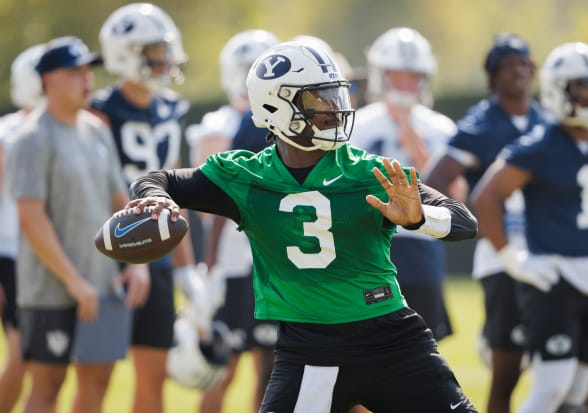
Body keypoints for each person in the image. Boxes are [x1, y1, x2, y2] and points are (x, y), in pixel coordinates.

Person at [126, 40, 479, 412]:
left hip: (391, 339)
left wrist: (420, 217)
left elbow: (463, 220)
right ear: (275, 105)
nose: (334, 109)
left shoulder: (366, 170)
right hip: (310, 347)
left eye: (335, 96)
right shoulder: (244, 176)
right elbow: (159, 179)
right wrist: (157, 198)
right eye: (319, 99)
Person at [472, 41, 588, 413]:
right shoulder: (539, 145)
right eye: (583, 87)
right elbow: (487, 197)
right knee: (552, 386)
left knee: (579, 389)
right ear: (559, 90)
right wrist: (512, 258)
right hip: (552, 277)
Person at [6, 36, 149, 413]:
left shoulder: (97, 130)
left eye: (89, 71)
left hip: (103, 284)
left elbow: (121, 202)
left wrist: (139, 264)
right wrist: (73, 280)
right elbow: (30, 216)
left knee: (98, 383)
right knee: (47, 388)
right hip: (49, 290)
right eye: (75, 72)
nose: (87, 80)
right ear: (49, 79)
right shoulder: (31, 138)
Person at [91, 4, 206, 412]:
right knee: (96, 378)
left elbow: (176, 192)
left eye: (165, 49)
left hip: (156, 258)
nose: (165, 59)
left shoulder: (170, 109)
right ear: (126, 52)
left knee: (153, 380)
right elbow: (98, 188)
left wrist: (186, 268)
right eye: (155, 50)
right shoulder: (99, 111)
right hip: (106, 253)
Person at [425, 33, 548, 413]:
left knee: (561, 366)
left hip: (550, 248)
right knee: (507, 371)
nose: (521, 71)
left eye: (526, 63)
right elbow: (435, 179)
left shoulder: (546, 119)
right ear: (494, 74)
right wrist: (466, 214)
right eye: (511, 64)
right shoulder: (482, 122)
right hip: (502, 251)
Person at [185, 29, 280, 413]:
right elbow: (212, 188)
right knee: (222, 365)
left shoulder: (279, 121)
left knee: (271, 366)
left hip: (269, 262)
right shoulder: (218, 124)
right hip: (230, 261)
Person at [351, 27, 457, 342]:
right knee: (367, 345)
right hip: (369, 244)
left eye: (411, 76)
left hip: (422, 243)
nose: (404, 84)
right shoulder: (357, 124)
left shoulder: (439, 128)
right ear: (380, 75)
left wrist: (415, 145)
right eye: (396, 75)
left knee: (425, 346)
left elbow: (457, 197)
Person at [0, 43, 45, 413]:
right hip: (12, 256)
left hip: (49, 254)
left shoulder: (71, 129)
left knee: (50, 359)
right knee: (21, 355)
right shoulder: (10, 132)